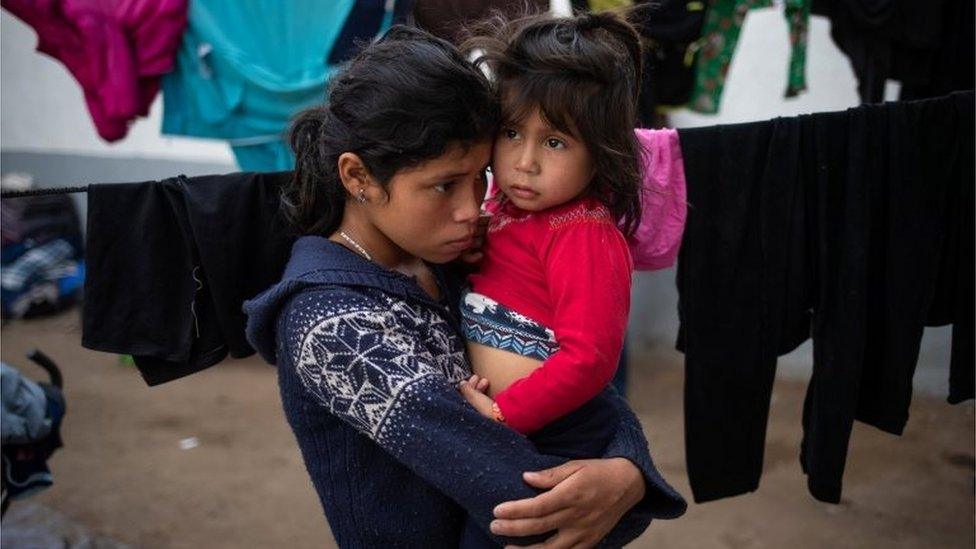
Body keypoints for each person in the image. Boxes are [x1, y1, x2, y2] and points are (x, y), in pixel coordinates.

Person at [243, 25, 685, 548]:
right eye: (443, 185)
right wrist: (626, 483)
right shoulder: (332, 324)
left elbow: (587, 382)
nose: (471, 208)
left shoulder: (454, 261)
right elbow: (520, 498)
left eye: (479, 179)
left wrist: (627, 471)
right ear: (358, 177)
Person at [452, 9, 671, 547]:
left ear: (600, 153)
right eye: (511, 132)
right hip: (520, 432)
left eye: (555, 143)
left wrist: (506, 414)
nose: (525, 161)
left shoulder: (583, 231)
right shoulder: (505, 210)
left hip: (555, 438)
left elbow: (590, 358)